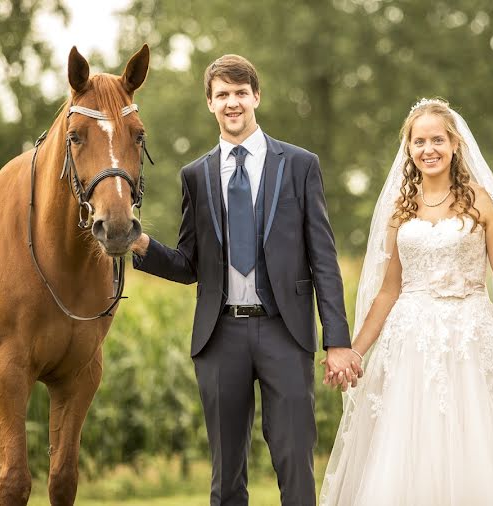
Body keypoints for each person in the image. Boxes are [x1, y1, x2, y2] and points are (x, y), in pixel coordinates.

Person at [319, 99, 493, 505]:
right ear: (409, 149)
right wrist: (355, 351)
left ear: (455, 143)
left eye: (438, 140)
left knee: (476, 442)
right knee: (408, 447)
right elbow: (389, 291)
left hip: (470, 339)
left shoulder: (479, 201)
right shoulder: (400, 210)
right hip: (410, 342)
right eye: (419, 141)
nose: (429, 149)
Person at [130, 54, 360, 506]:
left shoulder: (299, 165)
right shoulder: (194, 176)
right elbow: (188, 264)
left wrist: (337, 339)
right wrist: (141, 245)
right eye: (222, 95)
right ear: (210, 104)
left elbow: (324, 259)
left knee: (295, 461)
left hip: (285, 331)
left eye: (240, 93)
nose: (232, 102)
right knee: (226, 474)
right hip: (220, 337)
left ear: (256, 96)